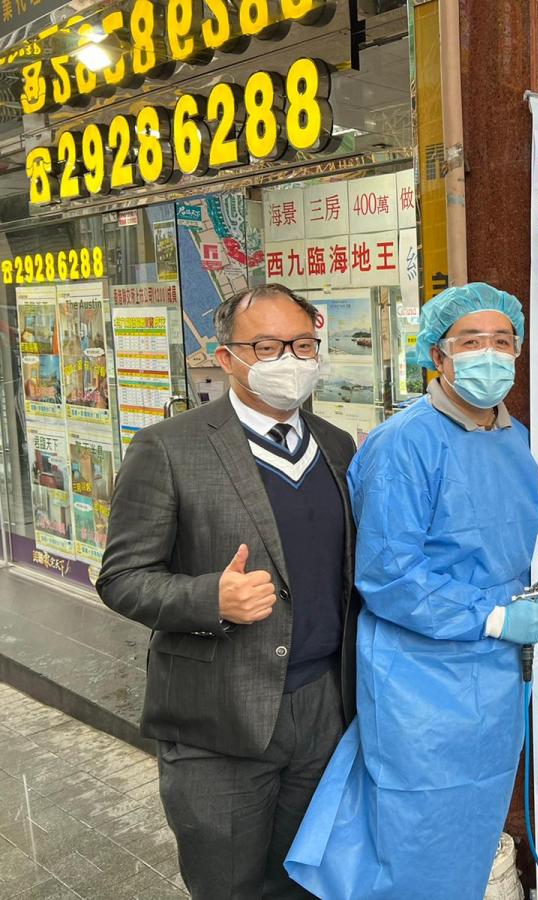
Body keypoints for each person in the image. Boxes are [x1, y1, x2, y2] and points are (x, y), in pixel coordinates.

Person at [97, 283, 360, 898]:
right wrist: (208, 599)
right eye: (266, 347)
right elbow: (121, 577)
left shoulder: (336, 446)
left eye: (301, 345)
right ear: (227, 357)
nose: (288, 360)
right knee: (228, 886)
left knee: (305, 880)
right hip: (218, 717)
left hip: (323, 709)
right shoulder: (169, 447)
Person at [285, 283, 538, 899]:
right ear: (438, 355)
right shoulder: (404, 443)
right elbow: (389, 574)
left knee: (475, 819)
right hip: (421, 678)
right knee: (414, 830)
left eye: (502, 341)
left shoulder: (515, 439)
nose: (490, 354)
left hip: (496, 673)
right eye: (471, 342)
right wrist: (492, 617)